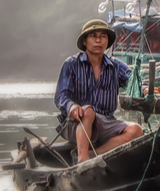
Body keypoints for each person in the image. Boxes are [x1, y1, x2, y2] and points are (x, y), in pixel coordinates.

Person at [55, 19, 143, 163]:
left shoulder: (115, 65)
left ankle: (93, 155)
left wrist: (143, 88)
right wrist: (72, 107)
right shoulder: (71, 64)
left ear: (107, 41)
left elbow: (133, 81)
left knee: (136, 130)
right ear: (84, 41)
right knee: (88, 111)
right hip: (76, 123)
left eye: (103, 36)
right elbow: (61, 96)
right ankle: (82, 160)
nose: (98, 40)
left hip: (105, 122)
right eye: (93, 36)